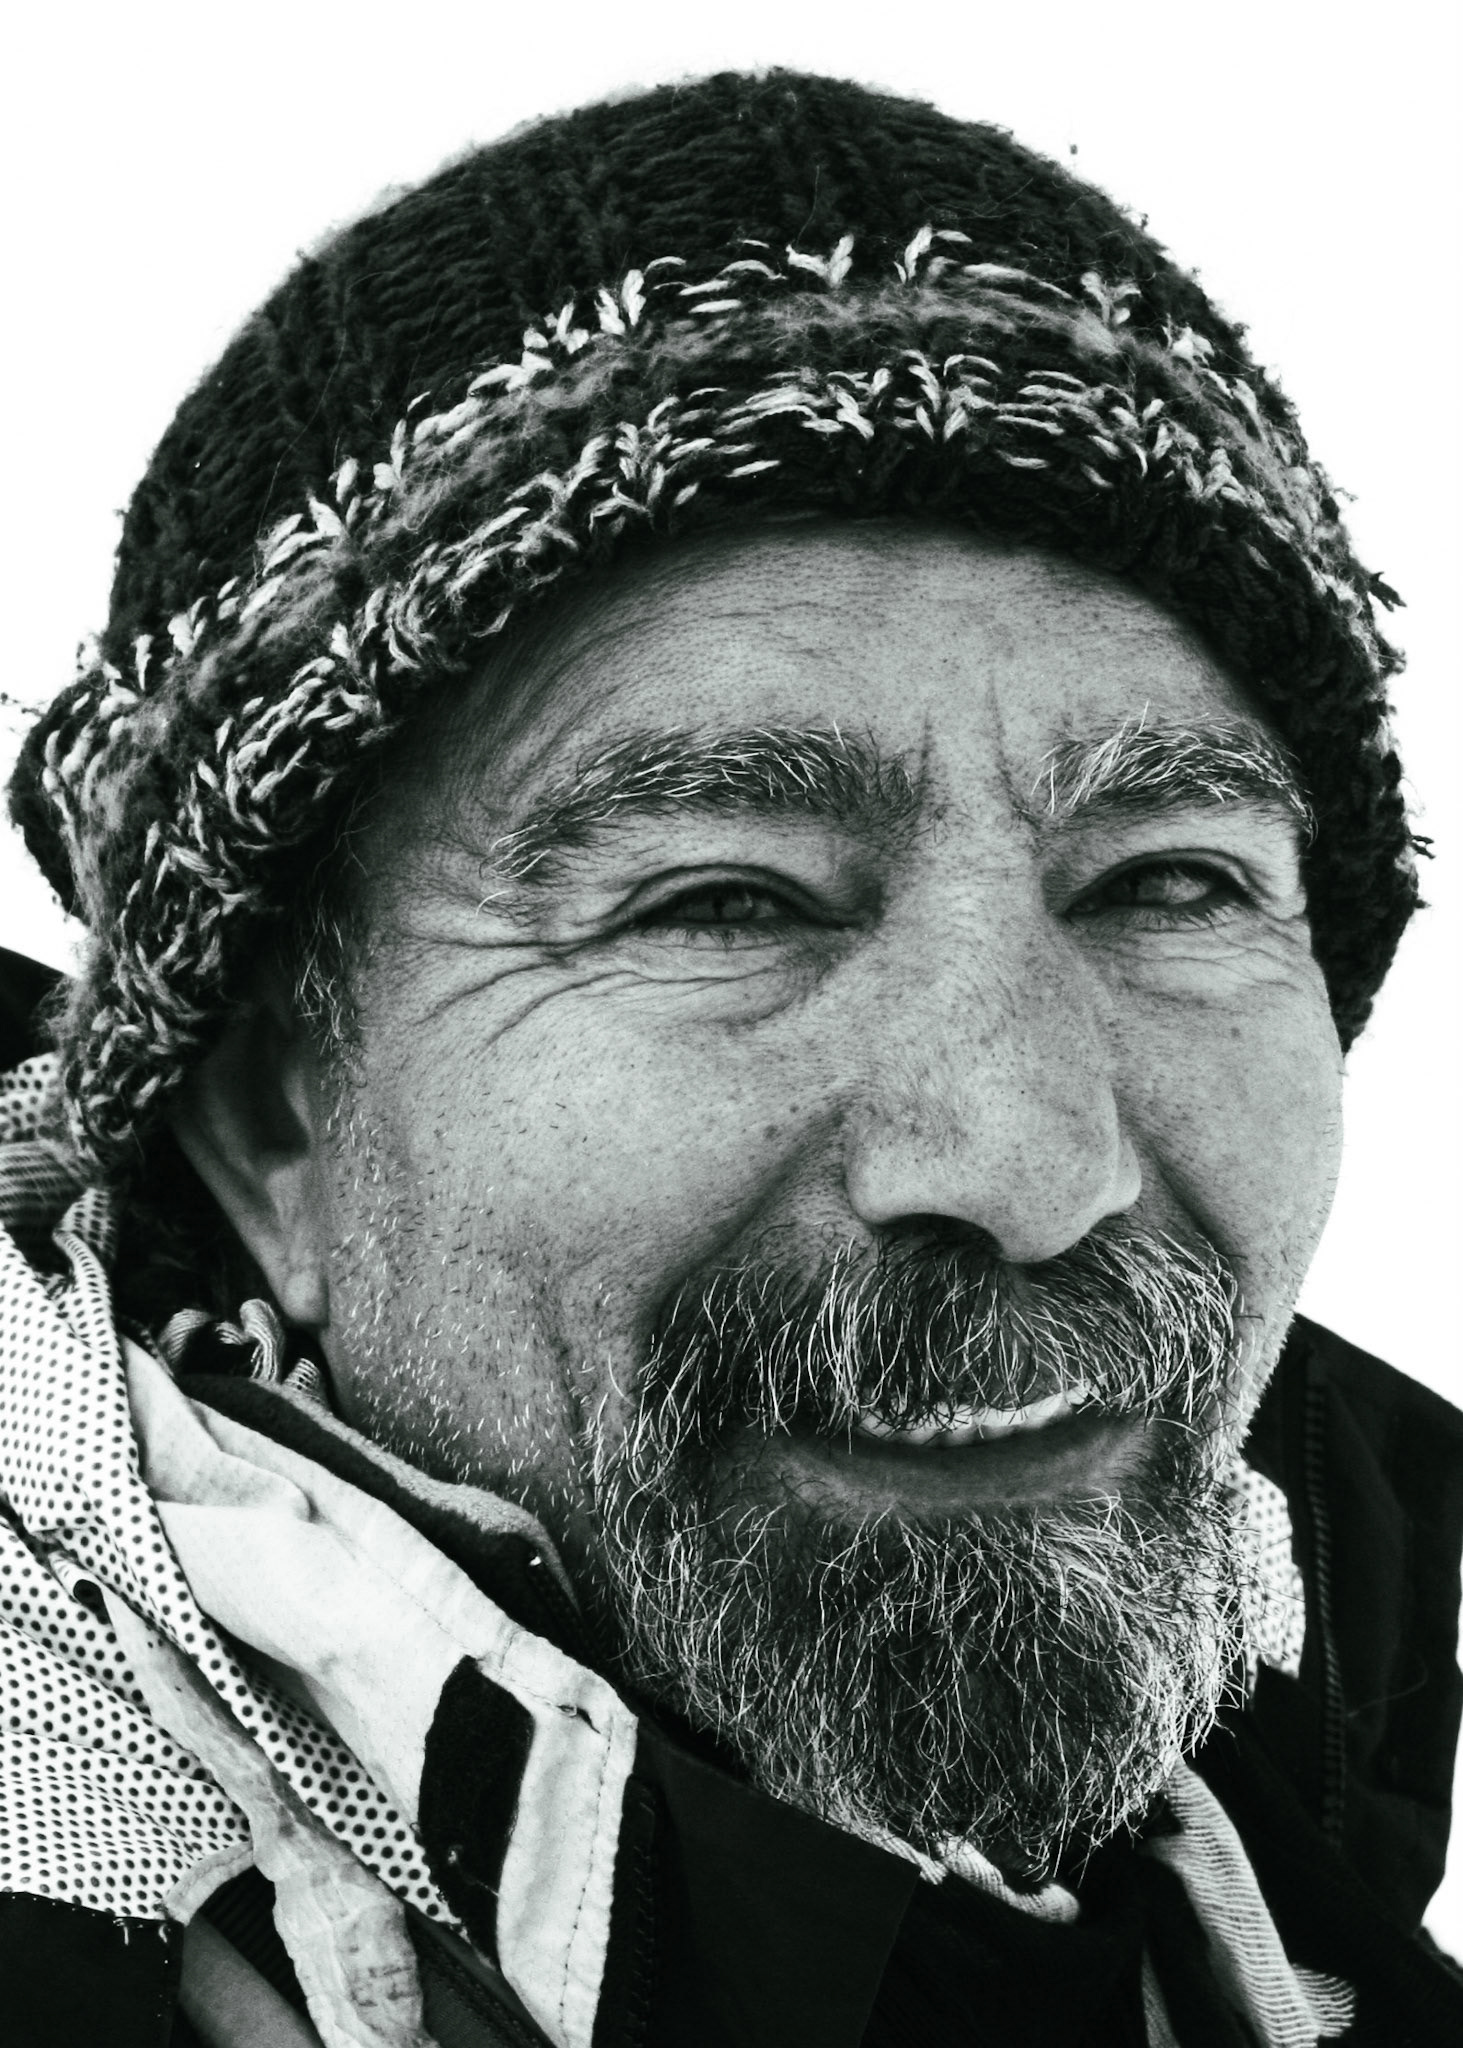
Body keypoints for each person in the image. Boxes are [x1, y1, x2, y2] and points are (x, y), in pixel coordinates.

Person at [1, 68, 1459, 2048]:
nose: (1033, 1163)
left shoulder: (1317, 1905)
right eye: (724, 903)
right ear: (271, 1124)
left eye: (1171, 883)